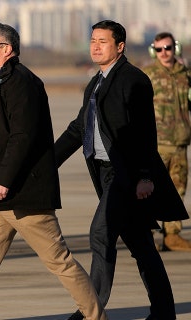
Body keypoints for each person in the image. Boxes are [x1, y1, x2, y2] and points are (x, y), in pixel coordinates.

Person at [0, 22, 107, 320]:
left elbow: (22, 136)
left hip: (22, 195)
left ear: (6, 49)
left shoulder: (22, 83)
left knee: (58, 261)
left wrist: (4, 180)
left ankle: (96, 316)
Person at [54, 20, 189, 320]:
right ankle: (165, 312)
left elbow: (144, 132)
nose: (95, 46)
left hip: (126, 176)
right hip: (105, 174)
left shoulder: (134, 80)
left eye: (103, 41)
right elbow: (80, 128)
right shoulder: (96, 82)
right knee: (142, 245)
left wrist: (144, 176)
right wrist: (49, 162)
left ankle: (91, 311)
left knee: (100, 234)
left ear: (120, 46)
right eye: (93, 40)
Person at [142, 32, 191, 252]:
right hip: (156, 144)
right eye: (160, 49)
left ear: (175, 48)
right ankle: (148, 234)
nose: (165, 53)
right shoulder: (147, 75)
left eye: (168, 48)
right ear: (154, 50)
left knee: (178, 190)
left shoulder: (185, 75)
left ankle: (172, 235)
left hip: (180, 141)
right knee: (151, 191)